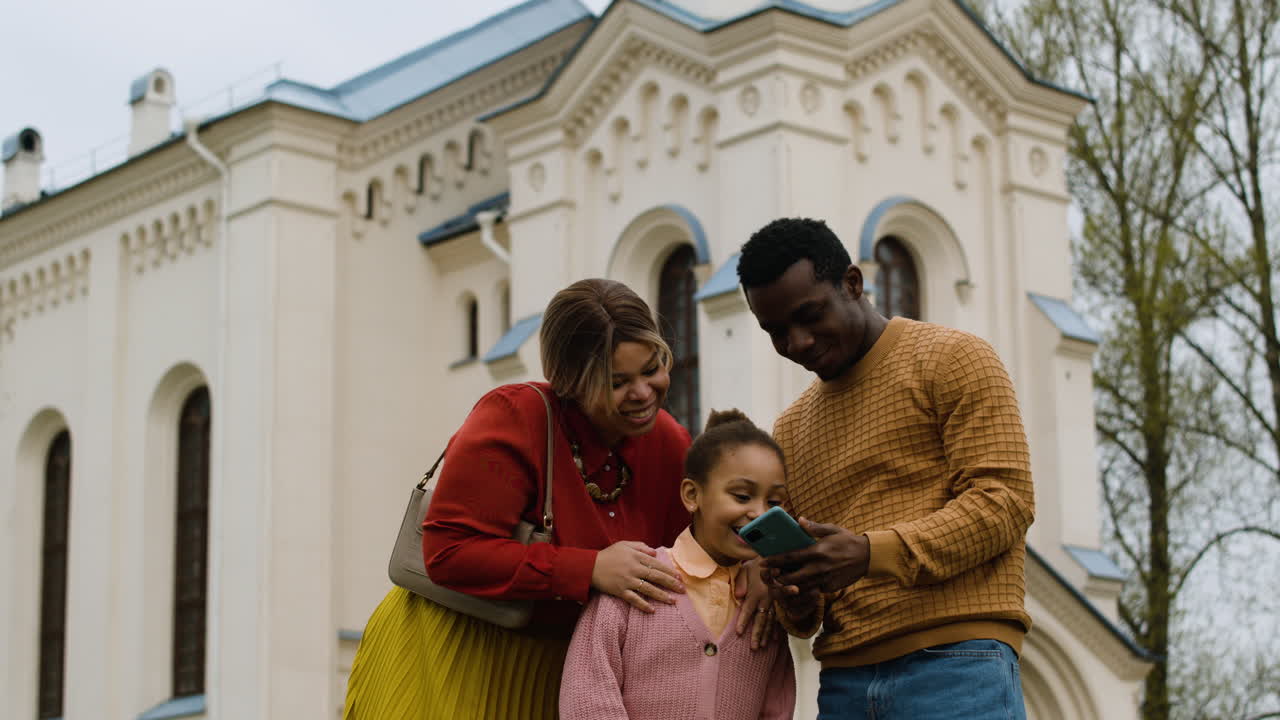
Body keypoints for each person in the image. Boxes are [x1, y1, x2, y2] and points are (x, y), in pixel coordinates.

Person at [343, 278, 768, 720]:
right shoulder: (514, 415)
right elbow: (449, 552)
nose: (643, 392)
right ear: (571, 383)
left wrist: (752, 563)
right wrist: (590, 568)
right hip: (450, 648)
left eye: (651, 368)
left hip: (562, 669)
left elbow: (700, 544)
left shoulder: (668, 441)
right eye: (616, 381)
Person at [737, 218, 1036, 720]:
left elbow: (1005, 503)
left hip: (959, 665)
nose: (798, 342)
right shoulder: (788, 431)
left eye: (810, 315)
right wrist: (796, 588)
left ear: (853, 283)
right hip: (844, 684)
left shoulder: (954, 359)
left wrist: (868, 552)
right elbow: (805, 620)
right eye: (776, 331)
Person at [560, 409, 800, 720]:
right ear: (691, 495)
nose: (760, 513)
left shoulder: (764, 607)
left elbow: (777, 708)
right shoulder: (633, 579)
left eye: (775, 503)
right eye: (742, 496)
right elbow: (588, 697)